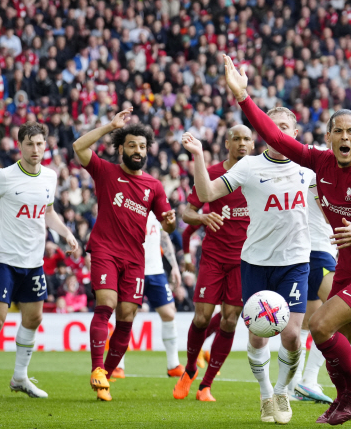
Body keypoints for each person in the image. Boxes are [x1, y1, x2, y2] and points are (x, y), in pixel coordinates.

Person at [221, 54, 351, 425]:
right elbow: (274, 136)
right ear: (329, 137)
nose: (346, 137)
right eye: (339, 131)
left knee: (318, 326)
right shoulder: (318, 163)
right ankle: (344, 398)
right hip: (350, 266)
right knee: (335, 339)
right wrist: (243, 98)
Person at [182, 116, 311, 424]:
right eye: (272, 125)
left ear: (295, 133)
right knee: (258, 336)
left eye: (284, 126)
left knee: (292, 335)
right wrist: (199, 156)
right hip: (255, 263)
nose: (277, 130)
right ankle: (266, 395)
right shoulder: (249, 166)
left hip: (295, 262)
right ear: (264, 132)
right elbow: (207, 194)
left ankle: (282, 391)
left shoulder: (309, 165)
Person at [72, 107, 176, 401]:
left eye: (142, 146)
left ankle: (105, 373)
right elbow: (78, 147)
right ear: (120, 148)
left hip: (135, 258)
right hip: (105, 249)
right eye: (131, 144)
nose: (137, 150)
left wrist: (169, 223)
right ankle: (96, 369)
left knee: (127, 316)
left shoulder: (154, 186)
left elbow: (168, 224)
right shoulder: (105, 171)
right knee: (106, 302)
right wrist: (109, 126)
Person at [0, 122, 78, 401]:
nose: (36, 149)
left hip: (34, 262)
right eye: (30, 144)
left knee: (34, 317)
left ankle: (20, 377)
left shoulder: (50, 177)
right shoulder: (3, 176)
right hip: (4, 260)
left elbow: (48, 211)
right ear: (20, 146)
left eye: (40, 144)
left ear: (46, 145)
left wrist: (65, 233)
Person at [174, 125, 253, 403]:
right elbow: (187, 213)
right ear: (227, 144)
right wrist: (203, 218)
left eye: (247, 139)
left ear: (253, 145)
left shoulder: (261, 175)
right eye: (237, 139)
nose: (242, 143)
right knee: (201, 318)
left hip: (245, 262)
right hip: (214, 256)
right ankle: (191, 368)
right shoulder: (215, 174)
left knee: (230, 321)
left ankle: (206, 386)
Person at [111, 211, 184, 379]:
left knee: (169, 313)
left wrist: (173, 266)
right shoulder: (130, 205)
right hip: (133, 269)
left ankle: (173, 365)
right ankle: (117, 365)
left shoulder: (157, 208)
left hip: (156, 272)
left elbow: (164, 237)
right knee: (126, 315)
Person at [289, 167, 337, 405]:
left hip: (308, 248)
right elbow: (330, 213)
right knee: (339, 314)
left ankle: (296, 383)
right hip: (319, 249)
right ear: (329, 135)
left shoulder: (312, 170)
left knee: (306, 323)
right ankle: (308, 379)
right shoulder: (320, 171)